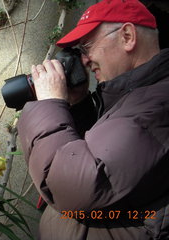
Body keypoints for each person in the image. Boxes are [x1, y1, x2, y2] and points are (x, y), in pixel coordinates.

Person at [17, 0, 169, 239]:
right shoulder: (133, 96)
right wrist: (77, 104)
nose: (84, 60)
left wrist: (49, 104)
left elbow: (77, 186)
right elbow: (96, 151)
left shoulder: (157, 103)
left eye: (86, 46)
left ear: (127, 36)